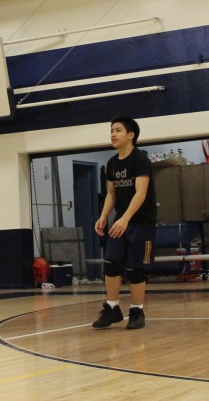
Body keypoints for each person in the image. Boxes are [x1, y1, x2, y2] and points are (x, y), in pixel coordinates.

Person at [92, 115, 156, 330]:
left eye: (118, 130)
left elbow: (141, 192)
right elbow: (111, 194)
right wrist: (103, 216)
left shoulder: (140, 160)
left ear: (131, 135)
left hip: (141, 223)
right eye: (111, 130)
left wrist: (126, 218)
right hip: (120, 222)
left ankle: (137, 311)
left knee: (136, 270)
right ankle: (112, 309)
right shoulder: (111, 163)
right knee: (111, 264)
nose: (113, 134)